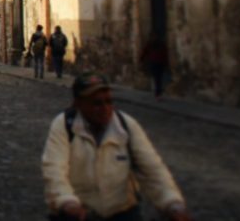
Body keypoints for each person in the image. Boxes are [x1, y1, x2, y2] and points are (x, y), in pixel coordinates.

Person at [42, 72, 190, 221]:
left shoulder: (126, 126)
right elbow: (54, 169)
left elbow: (153, 169)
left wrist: (173, 204)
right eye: (97, 103)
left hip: (121, 211)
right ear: (78, 103)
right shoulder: (64, 125)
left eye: (109, 101)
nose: (105, 108)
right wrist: (67, 202)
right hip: (79, 212)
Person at [140, 33, 169, 99]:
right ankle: (158, 92)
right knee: (159, 77)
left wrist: (141, 59)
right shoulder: (161, 44)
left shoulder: (151, 43)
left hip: (154, 62)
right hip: (159, 62)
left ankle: (157, 92)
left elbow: (144, 51)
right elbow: (165, 54)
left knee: (156, 77)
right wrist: (166, 63)